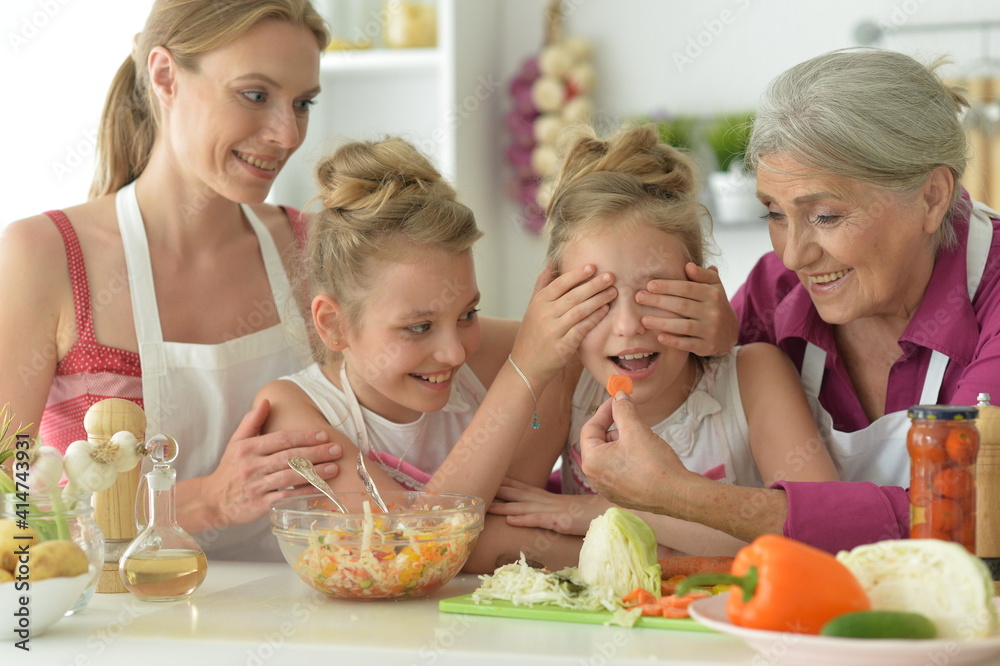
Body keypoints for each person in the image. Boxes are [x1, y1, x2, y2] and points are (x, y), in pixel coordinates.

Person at [584, 47, 1000, 553]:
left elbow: (959, 516)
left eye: (825, 215)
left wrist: (683, 497)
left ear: (932, 196)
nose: (795, 255)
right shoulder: (774, 291)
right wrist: (712, 350)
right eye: (775, 215)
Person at [0, 0, 345, 561]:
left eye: (302, 103)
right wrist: (208, 499)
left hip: (305, 616)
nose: (286, 134)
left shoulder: (318, 247)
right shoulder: (44, 254)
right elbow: (9, 509)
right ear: (164, 76)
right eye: (255, 95)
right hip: (121, 629)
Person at [254, 136, 616, 571]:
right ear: (333, 324)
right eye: (419, 327)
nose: (453, 352)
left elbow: (501, 528)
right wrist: (522, 374)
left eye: (468, 314)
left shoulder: (500, 354)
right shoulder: (295, 414)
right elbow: (412, 550)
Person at [487, 124, 838, 556]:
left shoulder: (753, 376)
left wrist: (599, 512)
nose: (629, 326)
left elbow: (821, 537)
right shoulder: (565, 387)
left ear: (703, 288)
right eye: (599, 300)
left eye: (655, 295)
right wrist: (671, 554)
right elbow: (493, 535)